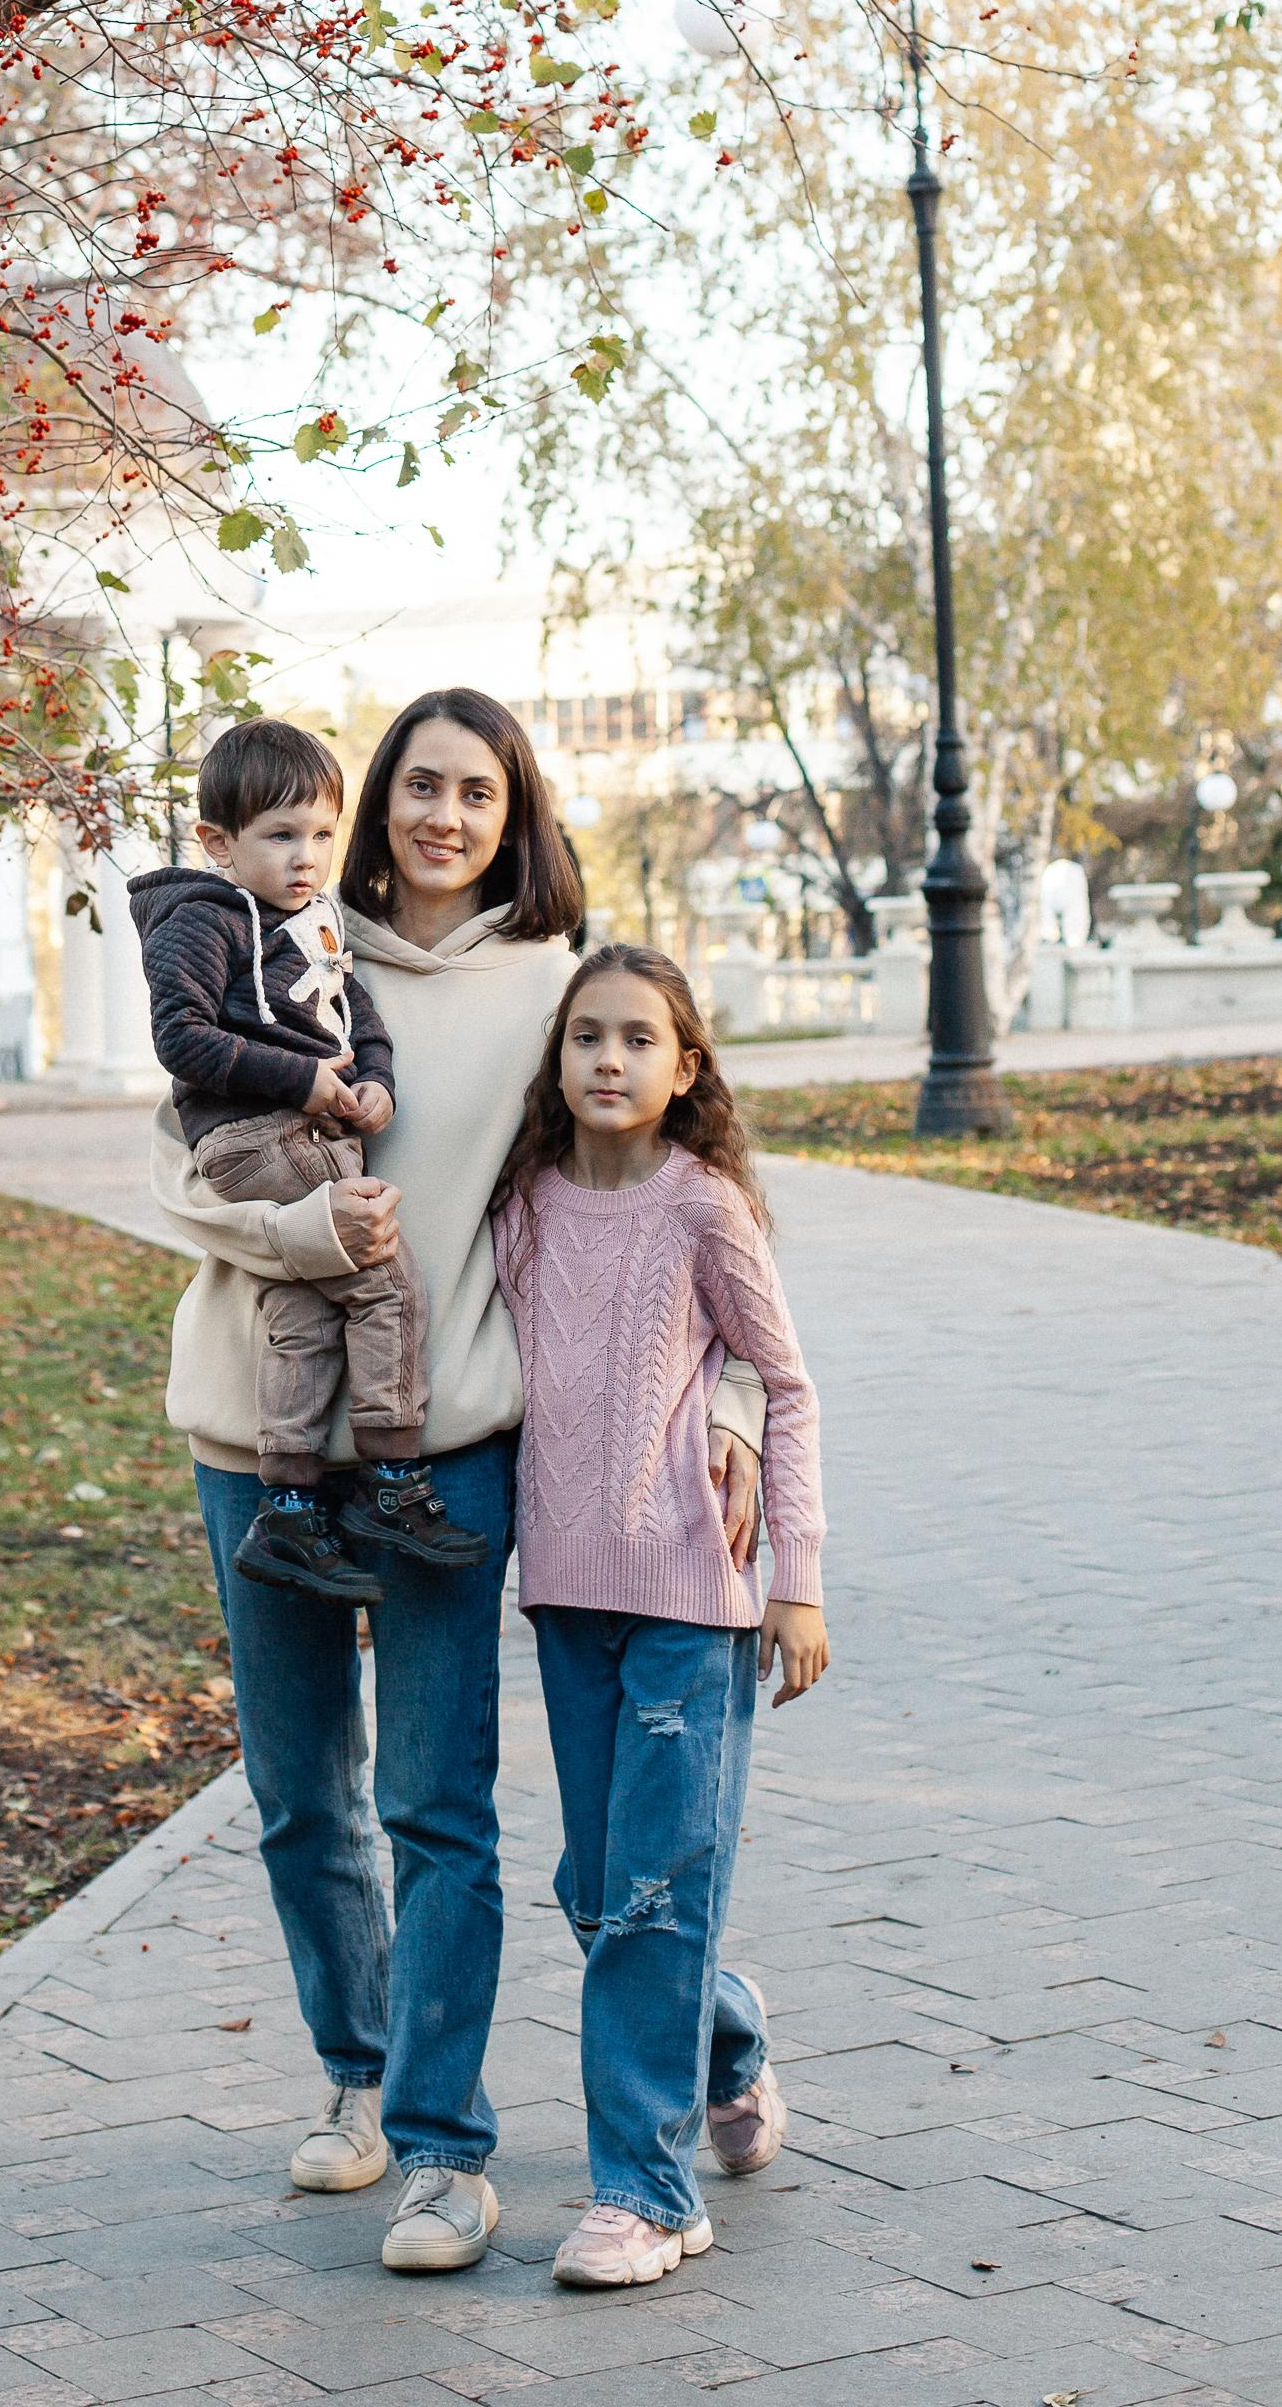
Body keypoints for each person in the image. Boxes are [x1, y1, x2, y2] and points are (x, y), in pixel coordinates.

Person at [153, 688, 772, 2275]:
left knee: (437, 1807)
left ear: (517, 816)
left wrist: (741, 1414)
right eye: (418, 786)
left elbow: (659, 1199)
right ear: (377, 806)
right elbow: (182, 1177)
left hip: (447, 1445)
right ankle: (356, 2082)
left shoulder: (560, 989)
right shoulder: (279, 936)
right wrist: (304, 1239)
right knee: (302, 1793)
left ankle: (444, 2153)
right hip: (260, 1425)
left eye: (475, 793)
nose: (442, 815)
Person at [492, 942, 829, 2292]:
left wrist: (794, 1579)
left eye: (639, 1039)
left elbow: (781, 1383)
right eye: (587, 1037)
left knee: (650, 1897)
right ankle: (730, 2044)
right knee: (600, 1891)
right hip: (566, 1598)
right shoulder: (522, 1207)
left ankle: (646, 2191)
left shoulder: (705, 1212)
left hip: (695, 1603)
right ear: (557, 1060)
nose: (609, 1060)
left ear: (687, 1069)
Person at [128, 718, 490, 1599]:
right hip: (255, 1138)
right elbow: (180, 1038)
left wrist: (374, 1081)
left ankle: (287, 1506)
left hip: (309, 1127)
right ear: (218, 842)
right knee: (384, 1282)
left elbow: (354, 1013)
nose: (306, 856)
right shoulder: (200, 921)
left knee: (302, 1310)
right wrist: (303, 1085)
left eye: (322, 834)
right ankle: (393, 1479)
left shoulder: (315, 920)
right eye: (281, 836)